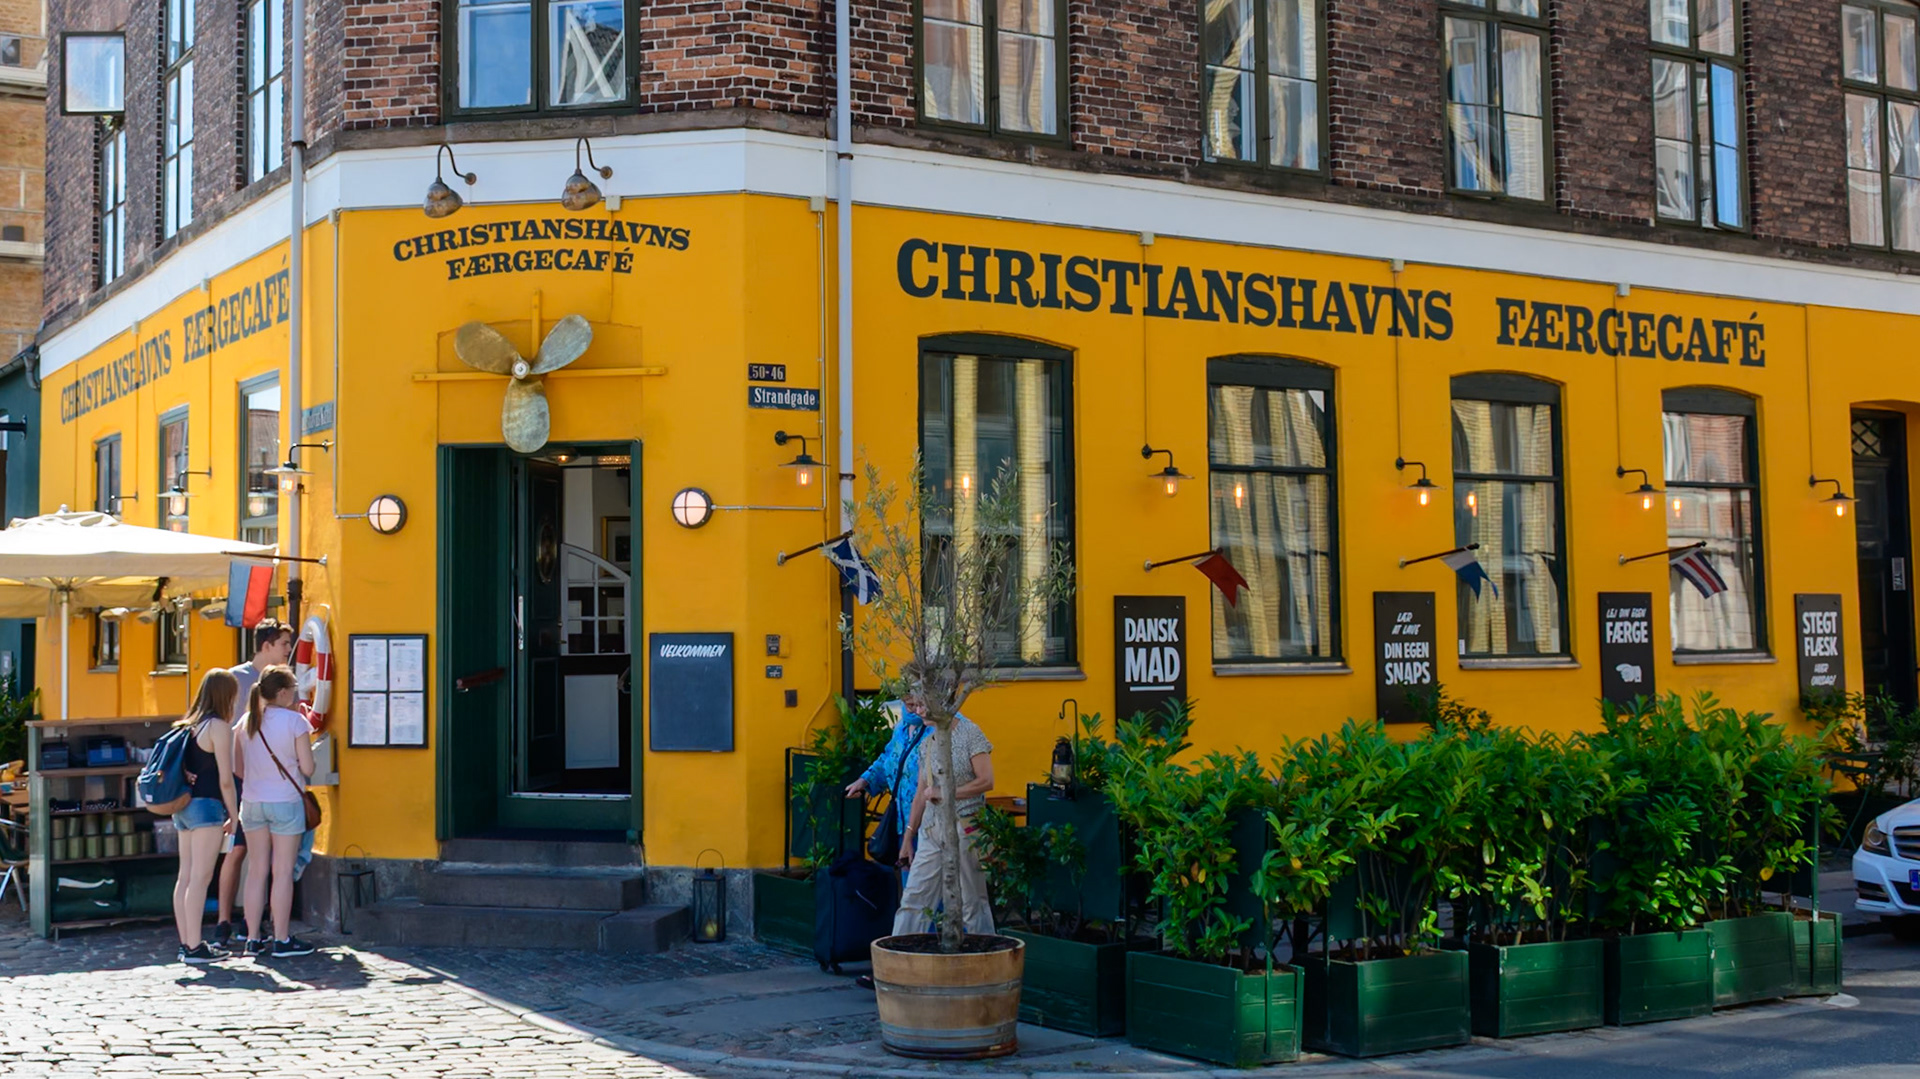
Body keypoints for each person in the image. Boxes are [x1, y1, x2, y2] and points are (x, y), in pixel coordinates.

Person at [210, 620, 293, 946]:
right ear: (266, 645)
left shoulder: (282, 682)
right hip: (238, 777)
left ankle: (252, 923)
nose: (288, 649)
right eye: (284, 643)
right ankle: (224, 921)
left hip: (267, 781)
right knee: (237, 848)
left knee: (262, 853)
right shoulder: (236, 678)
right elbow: (219, 726)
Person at [233, 665, 316, 959]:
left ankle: (252, 938)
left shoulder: (245, 722)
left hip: (252, 803)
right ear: (281, 692)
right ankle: (281, 939)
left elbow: (238, 769)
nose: (294, 695)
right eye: (292, 689)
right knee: (281, 872)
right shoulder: (295, 722)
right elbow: (308, 768)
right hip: (285, 802)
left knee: (256, 871)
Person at [893, 701, 996, 937]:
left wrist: (945, 792)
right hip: (930, 829)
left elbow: (986, 781)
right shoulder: (928, 742)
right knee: (914, 899)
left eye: (923, 704)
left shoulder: (970, 732)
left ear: (941, 701)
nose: (918, 711)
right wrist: (908, 838)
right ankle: (900, 955)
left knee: (972, 901)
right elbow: (921, 793)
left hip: (964, 825)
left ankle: (983, 955)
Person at [170, 670, 241, 965]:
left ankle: (186, 943)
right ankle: (195, 946)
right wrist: (234, 814)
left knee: (185, 877)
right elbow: (226, 779)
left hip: (183, 808)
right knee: (201, 878)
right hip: (207, 808)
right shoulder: (219, 727)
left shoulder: (188, 726)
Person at [844, 701, 932, 860]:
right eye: (907, 703)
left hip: (929, 824)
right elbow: (889, 759)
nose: (913, 708)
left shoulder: (938, 729)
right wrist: (864, 781)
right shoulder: (901, 727)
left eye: (916, 703)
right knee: (907, 871)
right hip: (901, 820)